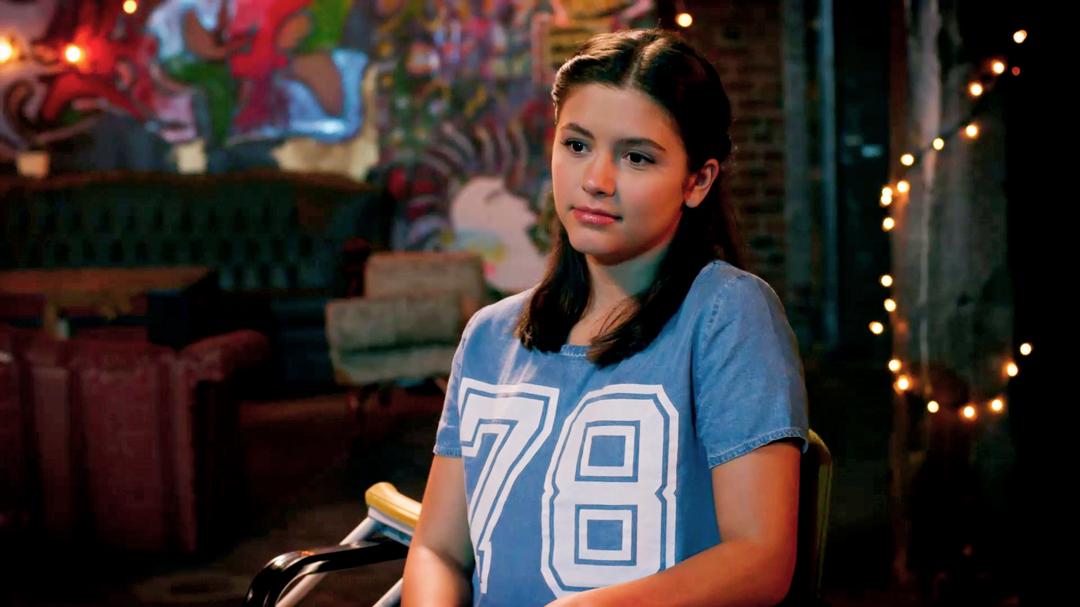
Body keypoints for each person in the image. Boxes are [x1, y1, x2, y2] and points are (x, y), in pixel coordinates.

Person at [402, 28, 809, 607]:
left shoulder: (727, 315)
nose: (596, 180)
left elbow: (760, 558)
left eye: (636, 157)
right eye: (576, 145)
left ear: (698, 181)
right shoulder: (491, 335)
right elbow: (440, 549)